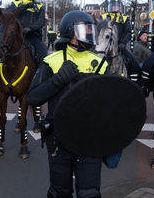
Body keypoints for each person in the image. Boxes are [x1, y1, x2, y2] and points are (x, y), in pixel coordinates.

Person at [26, 10, 108, 198]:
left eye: (90, 30)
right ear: (70, 33)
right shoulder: (51, 61)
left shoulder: (100, 63)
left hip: (90, 140)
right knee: (59, 193)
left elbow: (109, 102)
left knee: (90, 193)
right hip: (59, 139)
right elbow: (33, 98)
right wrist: (57, 81)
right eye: (84, 30)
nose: (89, 34)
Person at [0, 0, 47, 87]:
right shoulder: (16, 3)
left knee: (43, 54)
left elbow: (41, 22)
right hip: (16, 35)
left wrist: (29, 28)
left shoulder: (39, 6)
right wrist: (24, 7)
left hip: (32, 36)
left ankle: (41, 79)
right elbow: (7, 14)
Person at [100, 0, 140, 83]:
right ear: (110, 7)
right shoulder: (103, 17)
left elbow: (128, 32)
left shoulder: (125, 18)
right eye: (113, 7)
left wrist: (122, 43)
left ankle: (135, 84)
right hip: (105, 47)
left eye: (117, 7)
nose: (115, 8)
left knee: (134, 64)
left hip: (120, 47)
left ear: (120, 8)